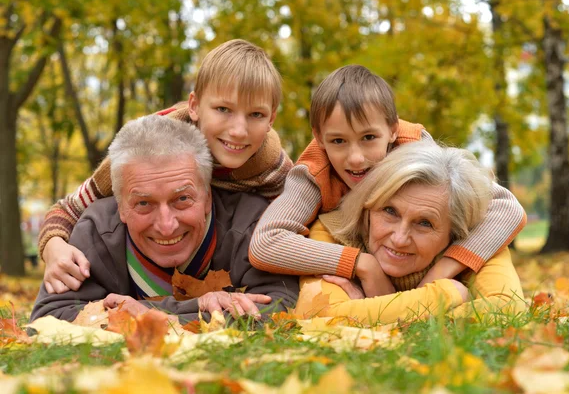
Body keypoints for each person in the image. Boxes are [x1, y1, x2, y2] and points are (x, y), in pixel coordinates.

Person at [39, 39, 293, 295]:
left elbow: (302, 218)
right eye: (223, 109)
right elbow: (68, 208)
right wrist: (53, 245)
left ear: (271, 118)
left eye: (256, 115)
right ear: (194, 106)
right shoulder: (144, 152)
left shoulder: (271, 165)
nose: (239, 131)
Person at [249, 65, 526, 297]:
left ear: (393, 130)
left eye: (369, 138)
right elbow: (265, 244)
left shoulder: (414, 149)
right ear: (320, 138)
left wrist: (440, 273)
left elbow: (507, 207)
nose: (356, 159)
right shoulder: (313, 175)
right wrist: (361, 264)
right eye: (338, 141)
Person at [30, 115, 299, 323]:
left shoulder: (252, 222)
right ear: (120, 206)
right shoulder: (98, 228)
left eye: (182, 199)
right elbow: (48, 318)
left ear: (207, 195)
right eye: (144, 203)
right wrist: (196, 308)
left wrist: (144, 314)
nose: (166, 224)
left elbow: (282, 306)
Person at [294, 141, 525, 323]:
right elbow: (318, 316)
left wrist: (371, 309)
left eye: (424, 223)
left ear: (454, 232)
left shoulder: (479, 239)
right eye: (389, 211)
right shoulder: (332, 232)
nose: (399, 238)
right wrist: (449, 294)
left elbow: (508, 310)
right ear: (368, 207)